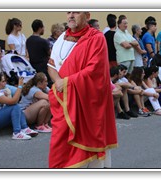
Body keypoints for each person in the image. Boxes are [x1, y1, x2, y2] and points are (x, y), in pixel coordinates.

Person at [47, 12, 118, 168]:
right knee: (59, 148)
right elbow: (51, 66)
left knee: (89, 160)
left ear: (86, 15)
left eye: (76, 12)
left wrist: (68, 82)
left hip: (87, 103)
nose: (71, 16)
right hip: (64, 101)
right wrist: (59, 82)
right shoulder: (61, 38)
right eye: (69, 12)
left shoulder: (96, 38)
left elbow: (95, 70)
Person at [0, 73, 38, 140]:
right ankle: (17, 133)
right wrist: (20, 86)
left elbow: (11, 102)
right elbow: (14, 101)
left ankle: (24, 128)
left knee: (15, 107)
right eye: (3, 81)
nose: (5, 83)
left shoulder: (0, 91)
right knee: (15, 106)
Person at [26, 19, 53, 88]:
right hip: (44, 68)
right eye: (43, 27)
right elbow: (50, 54)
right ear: (40, 28)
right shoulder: (43, 41)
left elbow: (27, 54)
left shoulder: (28, 40)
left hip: (33, 67)